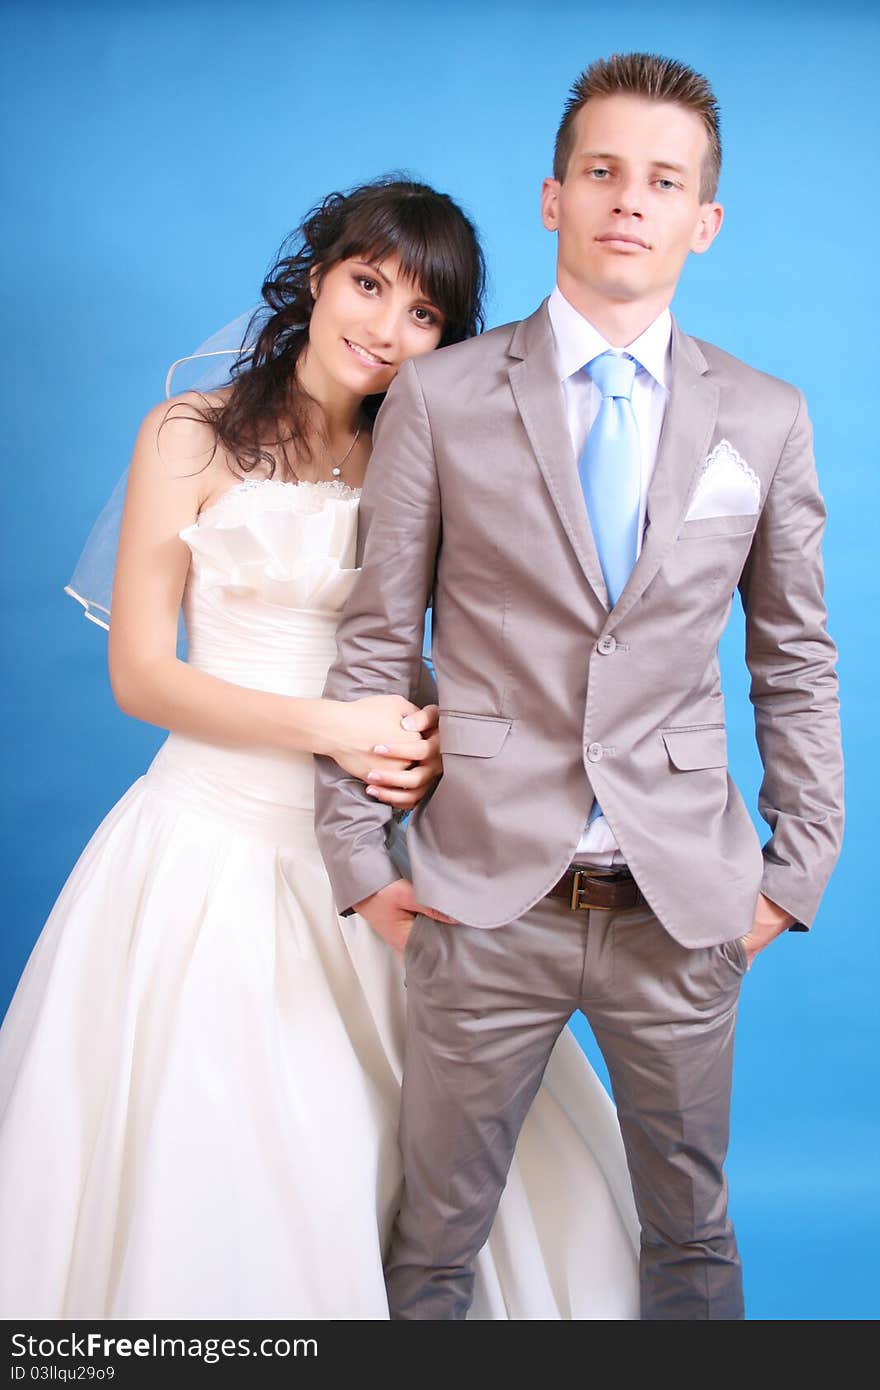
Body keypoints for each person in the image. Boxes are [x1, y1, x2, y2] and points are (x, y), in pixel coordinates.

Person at [0, 177, 640, 1319]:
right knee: (233, 1170)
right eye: (368, 284)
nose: (386, 328)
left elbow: (435, 658)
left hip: (362, 860)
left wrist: (431, 738)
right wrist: (335, 729)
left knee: (436, 1164)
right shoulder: (187, 436)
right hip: (203, 851)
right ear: (317, 279)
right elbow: (143, 674)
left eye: (424, 314)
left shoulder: (422, 459)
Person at [315, 58, 845, 1321]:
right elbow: (375, 638)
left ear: (701, 221)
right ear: (553, 197)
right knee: (434, 1240)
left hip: (681, 901)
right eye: (602, 172)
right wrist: (359, 855)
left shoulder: (765, 419)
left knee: (692, 1235)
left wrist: (797, 866)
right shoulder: (440, 398)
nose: (629, 200)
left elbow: (795, 655)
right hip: (481, 897)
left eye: (662, 182)